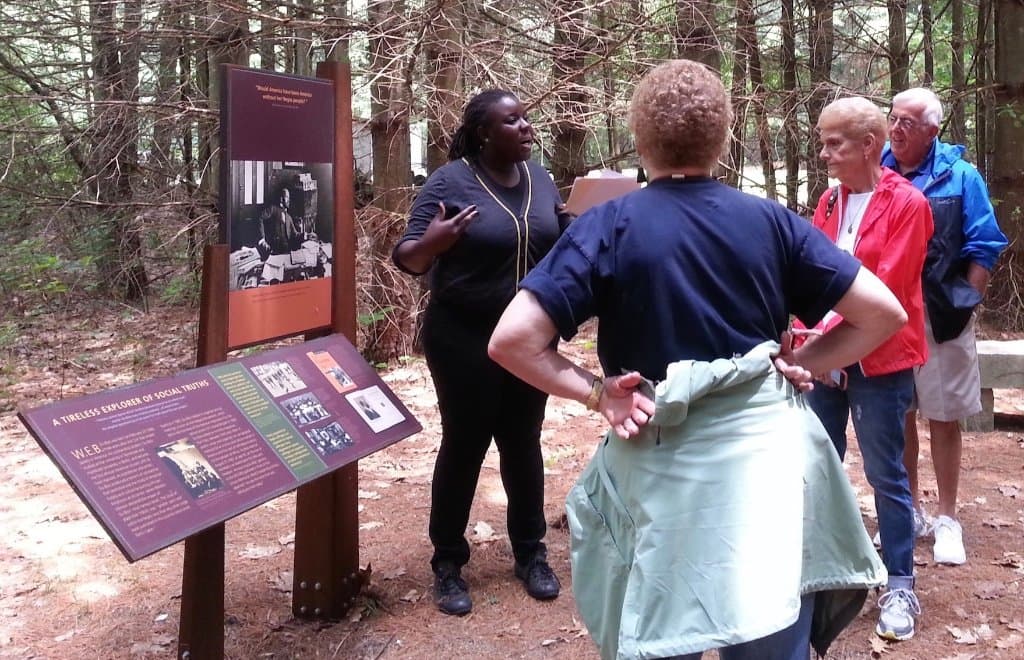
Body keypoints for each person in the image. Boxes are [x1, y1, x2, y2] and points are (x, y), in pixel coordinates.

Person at [488, 60, 900, 660]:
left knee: (660, 634)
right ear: (724, 137)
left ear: (639, 137)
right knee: (769, 623)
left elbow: (511, 340)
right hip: (768, 467)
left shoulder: (608, 226)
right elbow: (883, 313)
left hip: (657, 465)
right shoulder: (771, 221)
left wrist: (597, 393)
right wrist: (808, 358)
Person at [392, 89, 571, 616]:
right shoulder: (450, 181)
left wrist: (576, 226)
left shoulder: (540, 179)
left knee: (523, 442)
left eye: (525, 117)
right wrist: (436, 241)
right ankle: (448, 562)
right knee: (465, 443)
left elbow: (557, 239)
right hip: (463, 336)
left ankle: (531, 552)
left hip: (530, 337)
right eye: (511, 120)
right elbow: (408, 256)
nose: (525, 126)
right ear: (484, 133)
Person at [798, 97, 933, 641]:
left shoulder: (908, 203)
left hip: (881, 361)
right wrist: (807, 337)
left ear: (868, 145)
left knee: (885, 475)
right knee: (817, 468)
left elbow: (890, 290)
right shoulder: (829, 201)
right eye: (823, 141)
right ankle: (822, 575)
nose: (825, 153)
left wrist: (826, 347)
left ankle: (900, 582)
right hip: (826, 359)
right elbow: (809, 272)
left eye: (835, 143)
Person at [882, 87, 1009, 566]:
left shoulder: (960, 176)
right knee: (899, 415)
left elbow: (985, 242)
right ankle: (908, 512)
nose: (896, 129)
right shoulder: (880, 172)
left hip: (942, 315)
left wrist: (966, 302)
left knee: (944, 414)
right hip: (889, 316)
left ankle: (947, 517)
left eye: (908, 123)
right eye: (892, 119)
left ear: (933, 130)